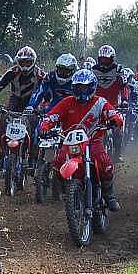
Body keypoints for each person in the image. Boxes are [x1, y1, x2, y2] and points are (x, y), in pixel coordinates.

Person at [40, 69, 123, 211]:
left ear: (92, 86)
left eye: (85, 87)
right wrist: (45, 127)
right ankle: (68, 189)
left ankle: (109, 195)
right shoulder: (67, 102)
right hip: (71, 142)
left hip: (93, 141)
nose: (82, 90)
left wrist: (115, 120)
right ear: (74, 87)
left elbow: (113, 113)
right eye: (78, 87)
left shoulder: (100, 102)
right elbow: (51, 116)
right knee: (58, 162)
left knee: (105, 163)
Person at [0, 46, 45, 170]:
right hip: (15, 100)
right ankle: (2, 158)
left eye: (28, 62)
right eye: (22, 62)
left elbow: (47, 91)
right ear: (18, 61)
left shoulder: (40, 74)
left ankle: (32, 160)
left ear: (33, 61)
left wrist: (44, 107)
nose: (25, 65)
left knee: (36, 129)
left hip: (32, 103)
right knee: (3, 123)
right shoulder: (12, 72)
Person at [25, 53, 78, 168]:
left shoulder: (77, 79)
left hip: (72, 112)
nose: (62, 73)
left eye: (66, 71)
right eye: (60, 69)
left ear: (72, 70)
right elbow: (39, 91)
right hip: (53, 109)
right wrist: (31, 105)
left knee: (74, 137)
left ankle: (76, 165)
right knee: (38, 131)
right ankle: (32, 160)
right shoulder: (51, 77)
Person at [91, 45, 127, 162]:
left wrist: (125, 100)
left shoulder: (118, 69)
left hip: (114, 104)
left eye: (107, 59)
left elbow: (123, 87)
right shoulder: (93, 70)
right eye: (102, 59)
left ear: (112, 59)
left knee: (117, 128)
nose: (104, 62)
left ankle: (117, 153)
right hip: (97, 104)